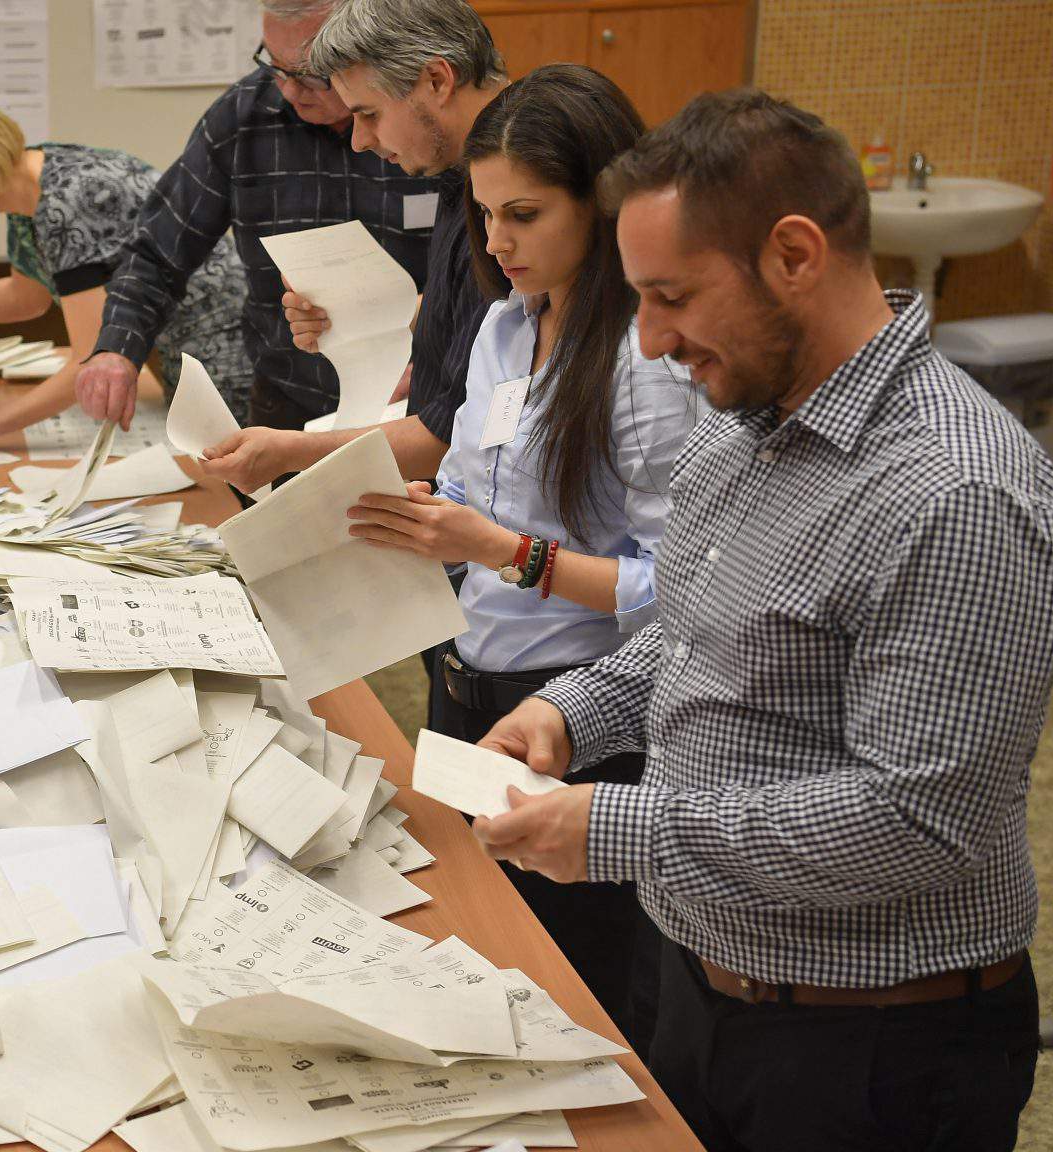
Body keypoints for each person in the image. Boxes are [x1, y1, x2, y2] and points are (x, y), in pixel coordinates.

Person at [473, 90, 1053, 1152]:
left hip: (871, 1046)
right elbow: (699, 629)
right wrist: (571, 711)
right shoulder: (744, 415)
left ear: (794, 255)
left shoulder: (960, 495)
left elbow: (913, 822)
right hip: (703, 984)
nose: (653, 342)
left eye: (669, 297)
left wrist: (609, 829)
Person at [340, 64, 699, 1047]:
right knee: (491, 954)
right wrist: (429, 517)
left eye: (525, 215)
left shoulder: (644, 365)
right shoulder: (506, 324)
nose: (495, 243)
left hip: (582, 708)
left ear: (600, 204)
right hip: (471, 681)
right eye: (483, 211)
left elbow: (682, 595)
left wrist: (508, 553)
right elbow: (469, 487)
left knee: (578, 991)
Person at [74, 0, 442, 435]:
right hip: (288, 401)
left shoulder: (424, 124)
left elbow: (495, 277)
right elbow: (158, 250)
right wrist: (116, 348)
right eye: (274, 64)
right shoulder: (243, 119)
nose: (289, 89)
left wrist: (448, 357)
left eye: (309, 73)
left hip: (418, 400)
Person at [197, 0, 510, 488]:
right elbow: (473, 312)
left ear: (436, 80)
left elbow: (450, 431)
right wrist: (360, 317)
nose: (360, 140)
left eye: (368, 114)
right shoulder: (461, 176)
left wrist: (291, 452)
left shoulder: (512, 188)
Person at [0, 89, 253, 446]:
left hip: (225, 357)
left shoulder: (69, 202)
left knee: (232, 482)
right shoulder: (28, 185)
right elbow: (25, 297)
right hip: (185, 355)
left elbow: (89, 358)